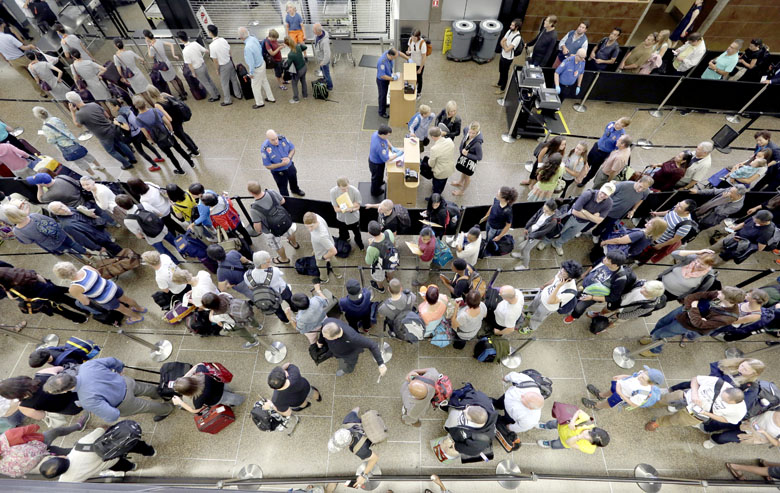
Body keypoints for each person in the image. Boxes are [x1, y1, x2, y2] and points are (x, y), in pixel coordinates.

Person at [44, 357, 174, 423]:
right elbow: (112, 360)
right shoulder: (87, 366)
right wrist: (119, 369)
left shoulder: (86, 400)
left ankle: (167, 409)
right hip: (125, 382)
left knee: (146, 406)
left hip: (124, 403)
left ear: (63, 391)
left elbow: (112, 415)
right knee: (146, 388)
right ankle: (162, 394)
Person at [640, 287, 745, 355]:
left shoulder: (729, 317)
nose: (718, 292)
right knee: (661, 322)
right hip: (683, 311)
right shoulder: (718, 294)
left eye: (722, 293)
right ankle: (652, 337)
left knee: (663, 333)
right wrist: (695, 311)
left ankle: (655, 350)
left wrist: (694, 307)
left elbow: (699, 324)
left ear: (729, 300)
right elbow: (693, 296)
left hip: (686, 324)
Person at [39, 426, 156, 481]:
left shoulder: (67, 480)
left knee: (123, 465)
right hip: (113, 450)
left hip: (110, 463)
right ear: (62, 457)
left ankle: (133, 467)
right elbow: (101, 430)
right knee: (134, 445)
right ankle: (150, 452)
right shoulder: (81, 445)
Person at [53, 261, 145, 324]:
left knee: (122, 309)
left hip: (106, 299)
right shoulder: (86, 268)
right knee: (127, 299)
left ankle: (137, 317)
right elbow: (99, 274)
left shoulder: (74, 288)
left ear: (63, 277)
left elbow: (86, 302)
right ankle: (140, 308)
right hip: (112, 287)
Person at [645, 375, 746, 431]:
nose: (721, 399)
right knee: (665, 399)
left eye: (725, 401)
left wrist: (706, 413)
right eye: (722, 396)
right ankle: (650, 403)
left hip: (695, 414)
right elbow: (695, 379)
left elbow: (726, 419)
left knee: (675, 420)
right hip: (686, 397)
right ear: (727, 388)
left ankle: (658, 422)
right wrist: (694, 394)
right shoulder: (719, 383)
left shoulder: (739, 411)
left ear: (734, 403)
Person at [66, 91, 137, 170]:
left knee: (111, 151)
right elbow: (106, 115)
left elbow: (78, 125)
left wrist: (72, 112)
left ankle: (126, 164)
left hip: (102, 135)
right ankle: (133, 159)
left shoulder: (79, 114)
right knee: (121, 144)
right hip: (111, 128)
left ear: (72, 103)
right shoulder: (94, 104)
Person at [0, 264, 89, 324]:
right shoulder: (14, 272)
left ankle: (81, 319)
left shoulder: (12, 289)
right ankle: (86, 309)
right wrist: (46, 285)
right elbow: (37, 275)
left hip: (40, 298)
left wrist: (7, 291)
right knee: (67, 299)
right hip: (46, 288)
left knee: (60, 310)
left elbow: (12, 297)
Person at [543, 183, 614, 256]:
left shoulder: (609, 203)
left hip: (583, 223)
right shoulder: (588, 194)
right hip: (571, 217)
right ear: (601, 188)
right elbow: (575, 211)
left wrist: (584, 211)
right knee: (558, 230)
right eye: (602, 192)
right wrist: (593, 216)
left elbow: (599, 221)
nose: (602, 195)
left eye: (605, 194)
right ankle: (545, 241)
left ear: (610, 195)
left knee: (569, 235)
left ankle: (557, 244)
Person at [0, 419, 87, 478]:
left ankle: (84, 449)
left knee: (64, 451)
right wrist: (35, 426)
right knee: (56, 431)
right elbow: (33, 427)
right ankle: (78, 426)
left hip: (41, 458)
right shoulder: (6, 438)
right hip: (39, 441)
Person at [565, 251, 633, 324]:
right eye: (606, 257)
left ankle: (573, 316)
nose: (604, 259)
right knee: (574, 296)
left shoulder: (620, 279)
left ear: (614, 265)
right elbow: (594, 265)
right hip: (584, 285)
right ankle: (570, 305)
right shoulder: (604, 260)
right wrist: (585, 273)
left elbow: (613, 297)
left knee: (579, 307)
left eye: (607, 259)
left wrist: (592, 298)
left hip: (593, 294)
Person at [133, 95, 193, 174]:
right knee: (179, 149)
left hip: (158, 139)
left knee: (170, 155)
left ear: (136, 107)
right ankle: (191, 163)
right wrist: (171, 131)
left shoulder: (138, 119)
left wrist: (152, 141)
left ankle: (180, 170)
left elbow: (146, 134)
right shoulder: (155, 111)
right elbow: (167, 122)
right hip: (167, 134)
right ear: (145, 103)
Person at [4, 204, 89, 257]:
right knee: (73, 243)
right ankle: (86, 254)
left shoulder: (17, 231)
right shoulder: (34, 216)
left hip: (50, 244)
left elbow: (28, 241)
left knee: (67, 250)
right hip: (59, 234)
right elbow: (51, 220)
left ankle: (80, 258)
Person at [115, 194, 180, 263]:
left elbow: (139, 236)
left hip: (152, 238)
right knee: (174, 241)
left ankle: (176, 262)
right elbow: (159, 214)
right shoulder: (144, 205)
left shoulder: (127, 220)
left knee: (163, 251)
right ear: (131, 199)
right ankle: (184, 252)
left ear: (121, 207)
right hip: (162, 229)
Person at [247, 181, 299, 264]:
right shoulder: (271, 192)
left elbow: (258, 227)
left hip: (270, 231)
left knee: (277, 245)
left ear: (251, 193)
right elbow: (282, 201)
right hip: (284, 220)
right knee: (289, 233)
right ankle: (295, 244)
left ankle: (284, 259)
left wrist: (258, 231)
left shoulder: (254, 209)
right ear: (260, 187)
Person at [327, 407, 380, 489]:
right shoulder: (347, 421)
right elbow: (356, 409)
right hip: (373, 422)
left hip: (376, 434)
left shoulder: (359, 450)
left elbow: (375, 458)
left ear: (346, 445)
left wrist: (363, 475)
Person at [107, 98, 165, 172]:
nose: (111, 109)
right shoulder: (128, 109)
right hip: (139, 131)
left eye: (112, 107)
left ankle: (155, 165)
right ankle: (159, 158)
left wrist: (117, 123)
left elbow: (127, 128)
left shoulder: (121, 116)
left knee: (141, 152)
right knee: (148, 145)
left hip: (134, 136)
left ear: (117, 106)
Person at [524, 260, 583, 333]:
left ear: (570, 277)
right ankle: (530, 313)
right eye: (562, 269)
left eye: (564, 272)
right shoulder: (562, 273)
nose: (561, 271)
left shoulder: (570, 291)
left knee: (538, 317)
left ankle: (531, 328)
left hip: (547, 306)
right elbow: (554, 279)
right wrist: (544, 286)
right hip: (542, 294)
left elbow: (550, 301)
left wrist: (558, 287)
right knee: (533, 306)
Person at [47, 201, 122, 257]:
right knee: (116, 250)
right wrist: (97, 248)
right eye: (59, 209)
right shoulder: (67, 226)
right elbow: (82, 239)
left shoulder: (70, 209)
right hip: (98, 239)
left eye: (62, 205)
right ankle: (126, 259)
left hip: (99, 231)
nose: (63, 209)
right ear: (56, 213)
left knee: (112, 247)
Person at [319, 318, 387, 377]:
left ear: (336, 337)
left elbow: (372, 345)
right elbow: (323, 332)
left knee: (350, 363)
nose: (324, 337)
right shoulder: (327, 322)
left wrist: (381, 364)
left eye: (326, 337)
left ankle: (347, 370)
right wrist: (320, 341)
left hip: (349, 354)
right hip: (335, 350)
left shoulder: (353, 338)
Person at [443, 385, 497, 459]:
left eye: (466, 413)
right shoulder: (480, 398)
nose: (465, 409)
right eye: (468, 407)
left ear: (473, 422)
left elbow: (472, 451)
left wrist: (456, 446)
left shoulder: (480, 441)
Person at [591, 177, 653, 241]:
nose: (640, 190)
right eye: (640, 186)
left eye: (644, 189)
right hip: (606, 209)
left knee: (604, 225)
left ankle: (595, 234)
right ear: (639, 181)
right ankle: (582, 230)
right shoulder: (623, 185)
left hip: (617, 214)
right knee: (592, 221)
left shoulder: (646, 191)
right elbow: (608, 194)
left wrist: (633, 210)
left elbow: (641, 199)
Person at [0, 373, 82, 420]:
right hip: (76, 390)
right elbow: (61, 369)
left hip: (73, 408)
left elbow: (41, 416)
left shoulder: (24, 407)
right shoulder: (41, 375)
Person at [637, 199, 697, 264]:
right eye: (679, 203)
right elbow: (668, 212)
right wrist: (657, 213)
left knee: (645, 254)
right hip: (652, 232)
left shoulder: (685, 225)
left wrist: (660, 245)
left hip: (657, 241)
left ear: (686, 212)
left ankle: (639, 261)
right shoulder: (676, 208)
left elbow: (675, 240)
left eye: (680, 207)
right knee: (639, 245)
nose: (677, 206)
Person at [147, 86, 199, 157]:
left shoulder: (157, 104)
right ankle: (195, 147)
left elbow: (168, 118)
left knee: (182, 137)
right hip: (179, 117)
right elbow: (176, 100)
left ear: (150, 95)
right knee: (183, 133)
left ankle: (195, 152)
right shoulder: (164, 94)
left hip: (174, 122)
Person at [172, 363, 245, 412]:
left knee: (228, 399)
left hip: (216, 399)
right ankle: (236, 395)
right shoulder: (201, 371)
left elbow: (195, 410)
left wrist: (180, 402)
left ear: (186, 393)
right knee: (228, 391)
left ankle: (239, 401)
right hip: (220, 384)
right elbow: (200, 364)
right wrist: (184, 378)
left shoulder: (196, 400)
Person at [582, 366, 664, 410]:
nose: (640, 376)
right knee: (611, 390)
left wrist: (620, 393)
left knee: (609, 402)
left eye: (643, 378)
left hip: (621, 396)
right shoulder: (643, 374)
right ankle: (601, 395)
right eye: (643, 374)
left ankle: (598, 406)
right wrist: (622, 376)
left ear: (650, 383)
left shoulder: (642, 393)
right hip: (621, 384)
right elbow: (633, 376)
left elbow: (634, 404)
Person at [245, 250, 294, 324]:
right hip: (282, 291)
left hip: (270, 297)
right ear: (262, 264)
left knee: (278, 310)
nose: (270, 262)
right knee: (290, 300)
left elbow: (250, 287)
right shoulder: (274, 271)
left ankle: (285, 321)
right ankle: (295, 309)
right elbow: (281, 274)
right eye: (268, 262)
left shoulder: (247, 275)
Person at [580, 117, 631, 188]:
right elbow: (605, 133)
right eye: (617, 121)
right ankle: (580, 175)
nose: (616, 124)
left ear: (623, 127)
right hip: (597, 146)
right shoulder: (611, 124)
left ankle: (584, 181)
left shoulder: (621, 136)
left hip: (603, 153)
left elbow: (617, 148)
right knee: (587, 162)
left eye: (619, 124)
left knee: (594, 168)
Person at [512, 199, 559, 269]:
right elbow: (534, 217)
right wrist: (527, 227)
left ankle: (525, 266)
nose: (544, 211)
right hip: (531, 229)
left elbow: (543, 232)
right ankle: (521, 255)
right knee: (524, 244)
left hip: (537, 236)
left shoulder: (553, 221)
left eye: (547, 211)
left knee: (526, 250)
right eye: (544, 209)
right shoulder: (543, 209)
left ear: (553, 211)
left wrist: (530, 236)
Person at [0, 27, 48, 97]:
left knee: (29, 78)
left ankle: (42, 93)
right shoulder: (8, 37)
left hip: (13, 62)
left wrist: (8, 61)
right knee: (37, 71)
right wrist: (30, 46)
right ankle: (47, 85)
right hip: (22, 58)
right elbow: (23, 47)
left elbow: (1, 54)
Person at [537, 407, 609, 453]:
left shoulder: (590, 449)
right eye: (589, 432)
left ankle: (549, 443)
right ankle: (545, 426)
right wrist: (572, 422)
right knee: (552, 424)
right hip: (562, 425)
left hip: (564, 441)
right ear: (592, 429)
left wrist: (579, 437)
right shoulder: (588, 422)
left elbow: (568, 443)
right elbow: (579, 411)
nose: (586, 436)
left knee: (556, 444)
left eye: (589, 440)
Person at [597, 218, 667, 263]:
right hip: (624, 253)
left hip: (615, 248)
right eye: (651, 221)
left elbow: (618, 241)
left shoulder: (640, 234)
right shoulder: (650, 237)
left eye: (651, 223)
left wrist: (605, 242)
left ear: (654, 229)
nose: (649, 222)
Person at [142, 29, 186, 99]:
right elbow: (170, 44)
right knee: (176, 78)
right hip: (167, 62)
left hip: (162, 66)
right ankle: (184, 92)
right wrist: (173, 55)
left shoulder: (152, 47)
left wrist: (148, 46)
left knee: (172, 81)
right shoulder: (159, 41)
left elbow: (151, 56)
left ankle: (182, 96)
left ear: (147, 37)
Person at [261, 129, 306, 197]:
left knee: (293, 179)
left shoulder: (282, 139)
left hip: (290, 165)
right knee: (282, 187)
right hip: (278, 172)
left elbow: (292, 149)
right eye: (273, 140)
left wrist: (289, 157)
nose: (276, 141)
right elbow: (268, 166)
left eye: (276, 138)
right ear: (268, 139)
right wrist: (281, 164)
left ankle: (295, 190)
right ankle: (287, 199)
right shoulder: (265, 149)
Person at [238, 26, 275, 109]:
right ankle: (271, 97)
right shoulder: (253, 38)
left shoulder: (247, 48)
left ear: (241, 37)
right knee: (264, 81)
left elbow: (251, 62)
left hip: (256, 69)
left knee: (255, 86)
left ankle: (259, 103)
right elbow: (260, 48)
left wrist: (250, 73)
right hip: (262, 63)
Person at [178, 30, 220, 102]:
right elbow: (206, 51)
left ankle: (215, 97)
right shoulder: (195, 43)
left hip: (197, 69)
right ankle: (217, 93)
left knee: (206, 83)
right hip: (203, 65)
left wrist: (193, 73)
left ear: (181, 40)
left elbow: (189, 64)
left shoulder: (185, 51)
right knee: (209, 80)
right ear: (187, 37)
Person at [207, 24, 241, 106]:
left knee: (224, 84)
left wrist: (217, 69)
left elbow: (215, 61)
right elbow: (229, 51)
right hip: (229, 62)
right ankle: (238, 94)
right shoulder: (223, 40)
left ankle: (227, 100)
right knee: (234, 79)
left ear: (211, 33)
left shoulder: (212, 46)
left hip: (223, 66)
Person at [303, 211, 339, 283]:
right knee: (333, 259)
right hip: (327, 244)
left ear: (316, 222)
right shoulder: (316, 216)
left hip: (321, 252)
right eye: (307, 227)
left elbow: (334, 251)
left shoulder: (321, 236)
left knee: (320, 265)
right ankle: (338, 274)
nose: (310, 229)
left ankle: (324, 279)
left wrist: (324, 257)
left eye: (311, 226)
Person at [112, 39, 151, 103]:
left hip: (131, 77)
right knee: (147, 91)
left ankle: (151, 106)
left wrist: (123, 77)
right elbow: (142, 59)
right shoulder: (130, 52)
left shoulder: (116, 57)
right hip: (138, 73)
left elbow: (119, 70)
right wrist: (143, 62)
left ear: (115, 46)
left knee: (142, 94)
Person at [329, 177, 363, 250]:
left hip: (353, 217)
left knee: (357, 232)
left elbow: (358, 204)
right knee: (342, 232)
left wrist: (350, 208)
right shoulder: (333, 192)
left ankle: (359, 243)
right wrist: (347, 208)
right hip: (341, 218)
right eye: (343, 189)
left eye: (347, 188)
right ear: (338, 187)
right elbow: (336, 209)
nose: (346, 191)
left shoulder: (355, 191)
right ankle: (345, 239)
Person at [451, 121, 483, 196]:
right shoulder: (466, 130)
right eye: (470, 132)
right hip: (464, 156)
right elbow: (465, 132)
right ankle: (460, 182)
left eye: (473, 133)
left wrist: (467, 154)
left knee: (467, 176)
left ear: (477, 132)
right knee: (463, 171)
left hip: (470, 160)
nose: (471, 135)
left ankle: (462, 191)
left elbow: (479, 157)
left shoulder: (478, 144)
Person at [368, 125, 400, 196]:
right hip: (376, 164)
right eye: (387, 135)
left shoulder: (376, 133)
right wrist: (398, 155)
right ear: (382, 134)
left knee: (380, 176)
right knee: (376, 178)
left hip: (375, 159)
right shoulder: (380, 147)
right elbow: (387, 159)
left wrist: (391, 146)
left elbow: (385, 140)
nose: (388, 137)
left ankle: (380, 182)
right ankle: (375, 192)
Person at [365, 220, 396, 293]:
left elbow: (368, 261)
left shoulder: (372, 248)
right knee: (390, 270)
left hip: (380, 265)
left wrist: (370, 245)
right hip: (391, 258)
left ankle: (381, 288)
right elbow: (394, 243)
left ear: (369, 233)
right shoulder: (388, 232)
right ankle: (390, 279)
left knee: (379, 277)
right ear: (381, 228)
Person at [495, 19, 522, 94]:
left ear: (517, 27)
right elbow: (502, 41)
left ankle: (502, 88)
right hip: (503, 55)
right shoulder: (509, 31)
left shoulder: (517, 37)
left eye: (512, 25)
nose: (510, 26)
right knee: (501, 70)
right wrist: (505, 45)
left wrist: (504, 44)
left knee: (505, 73)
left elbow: (507, 49)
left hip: (508, 58)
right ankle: (499, 83)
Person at [376, 48, 399, 118]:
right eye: (394, 58)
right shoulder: (382, 62)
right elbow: (382, 75)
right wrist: (392, 78)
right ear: (391, 56)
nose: (394, 59)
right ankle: (381, 112)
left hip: (387, 77)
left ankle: (384, 104)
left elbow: (399, 53)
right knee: (382, 95)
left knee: (385, 94)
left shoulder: (388, 53)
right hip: (382, 81)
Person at [284, 35, 308, 103]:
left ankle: (296, 98)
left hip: (298, 71)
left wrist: (285, 63)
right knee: (303, 81)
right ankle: (305, 95)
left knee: (294, 83)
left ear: (286, 44)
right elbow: (305, 47)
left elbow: (288, 65)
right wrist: (299, 43)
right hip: (304, 67)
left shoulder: (290, 54)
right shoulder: (298, 46)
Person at [312, 23, 333, 91]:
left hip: (324, 61)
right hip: (320, 59)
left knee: (326, 73)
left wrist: (323, 62)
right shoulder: (317, 35)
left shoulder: (325, 41)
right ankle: (325, 81)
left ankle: (329, 86)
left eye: (313, 29)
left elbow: (327, 53)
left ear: (317, 31)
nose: (313, 30)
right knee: (323, 72)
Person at [406, 29, 426, 97]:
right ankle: (411, 89)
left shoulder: (422, 43)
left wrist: (420, 68)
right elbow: (409, 46)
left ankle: (419, 93)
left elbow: (424, 57)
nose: (413, 39)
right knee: (411, 76)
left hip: (419, 63)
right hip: (412, 62)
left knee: (419, 78)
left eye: (415, 38)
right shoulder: (411, 39)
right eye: (412, 37)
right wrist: (408, 51)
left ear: (418, 37)